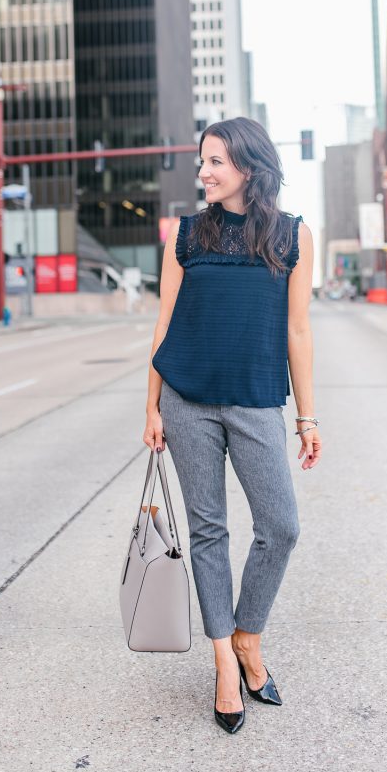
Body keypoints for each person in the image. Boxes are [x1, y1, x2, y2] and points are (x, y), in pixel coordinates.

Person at [142, 116, 321, 735]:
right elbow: (164, 323)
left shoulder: (293, 236)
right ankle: (225, 660)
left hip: (255, 404)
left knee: (280, 527)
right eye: (201, 162)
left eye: (215, 161)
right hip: (187, 403)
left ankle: (248, 636)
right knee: (209, 531)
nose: (205, 172)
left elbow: (298, 330)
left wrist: (307, 416)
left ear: (249, 165)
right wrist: (151, 406)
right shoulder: (187, 235)